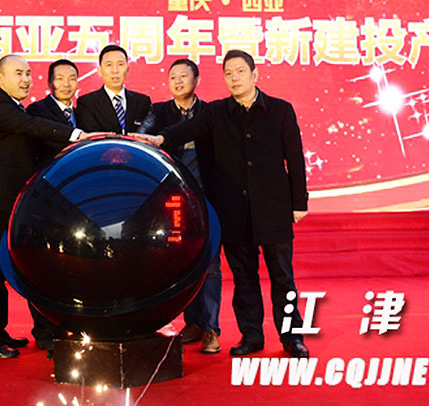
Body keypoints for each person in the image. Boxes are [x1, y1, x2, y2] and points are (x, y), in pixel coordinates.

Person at [133, 50, 310, 358]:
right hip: (234, 211)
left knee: (283, 277)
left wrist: (299, 202)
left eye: (240, 71)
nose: (234, 78)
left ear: (254, 75)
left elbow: (294, 159)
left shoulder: (280, 110)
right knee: (244, 278)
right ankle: (251, 336)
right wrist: (161, 139)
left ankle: (292, 336)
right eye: (228, 73)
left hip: (273, 208)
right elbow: (189, 129)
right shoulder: (217, 112)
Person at [0, 54, 95, 358]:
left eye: (27, 73)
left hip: (9, 201)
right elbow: (32, 126)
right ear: (0, 78)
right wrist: (75, 135)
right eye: (17, 73)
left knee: (2, 271)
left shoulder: (14, 107)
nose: (25, 79)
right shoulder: (0, 107)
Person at [143, 58, 222, 354]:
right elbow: (144, 136)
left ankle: (211, 328)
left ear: (196, 80)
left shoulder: (210, 112)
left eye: (183, 76)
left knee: (211, 264)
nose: (177, 81)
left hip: (208, 199)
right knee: (183, 262)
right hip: (173, 202)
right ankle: (193, 323)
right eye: (172, 76)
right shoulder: (159, 112)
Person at [25, 58, 80, 355]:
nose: (67, 84)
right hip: (46, 200)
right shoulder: (37, 111)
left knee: (69, 267)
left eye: (72, 78)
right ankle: (44, 330)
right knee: (43, 266)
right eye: (60, 78)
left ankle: (65, 326)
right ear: (50, 83)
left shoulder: (82, 112)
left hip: (74, 202)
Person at [75, 44, 152, 134]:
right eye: (109, 65)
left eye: (120, 64)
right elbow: (91, 135)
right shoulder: (87, 103)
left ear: (127, 69)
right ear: (100, 70)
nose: (115, 70)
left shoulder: (142, 102)